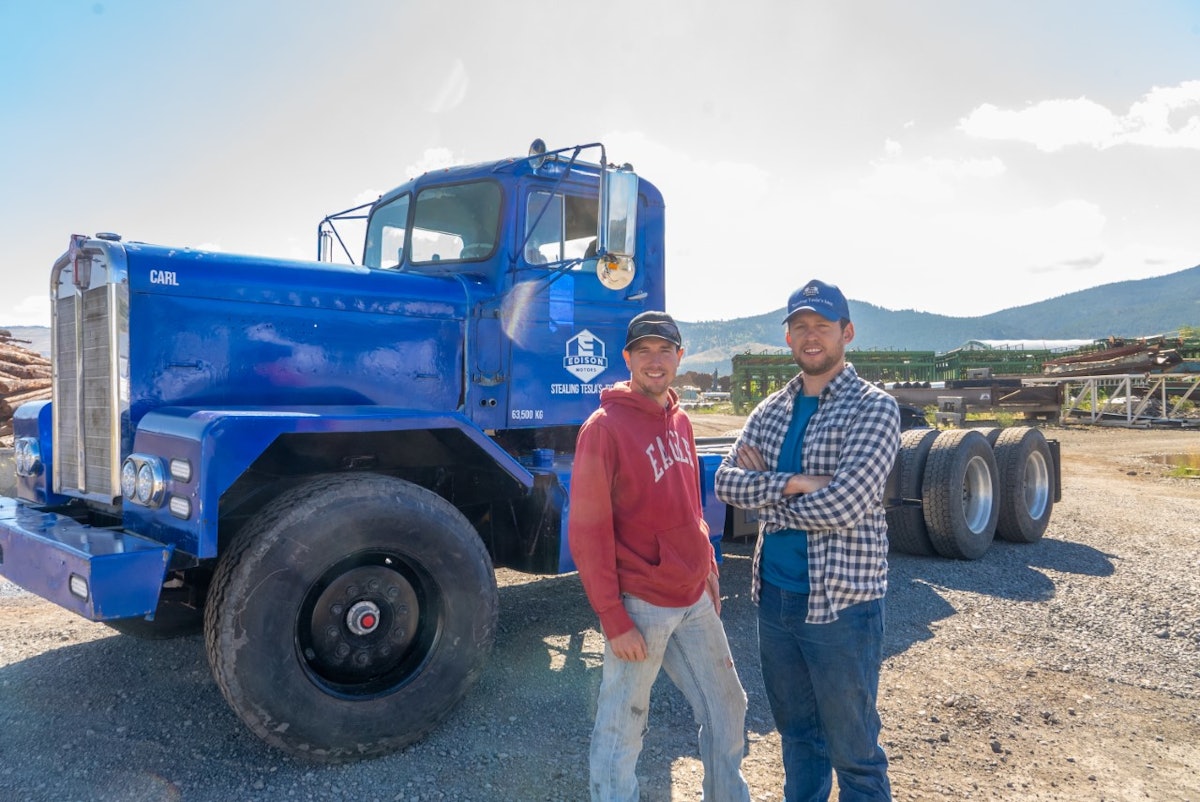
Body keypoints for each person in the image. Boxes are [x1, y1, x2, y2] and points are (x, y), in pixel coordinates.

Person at [715, 280, 900, 802]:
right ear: (789, 338)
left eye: (822, 326)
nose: (810, 336)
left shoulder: (873, 408)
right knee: (798, 740)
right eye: (800, 327)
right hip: (774, 598)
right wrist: (795, 483)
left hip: (841, 605)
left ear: (847, 333)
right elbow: (726, 483)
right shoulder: (772, 409)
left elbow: (845, 505)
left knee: (855, 752)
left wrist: (766, 498)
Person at [569, 311, 752, 802]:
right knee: (623, 722)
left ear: (679, 358)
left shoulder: (681, 419)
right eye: (643, 351)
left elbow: (691, 503)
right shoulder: (603, 429)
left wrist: (709, 563)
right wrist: (612, 616)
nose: (655, 361)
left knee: (727, 705)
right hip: (641, 604)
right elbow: (587, 531)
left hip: (691, 595)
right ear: (627, 358)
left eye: (664, 350)